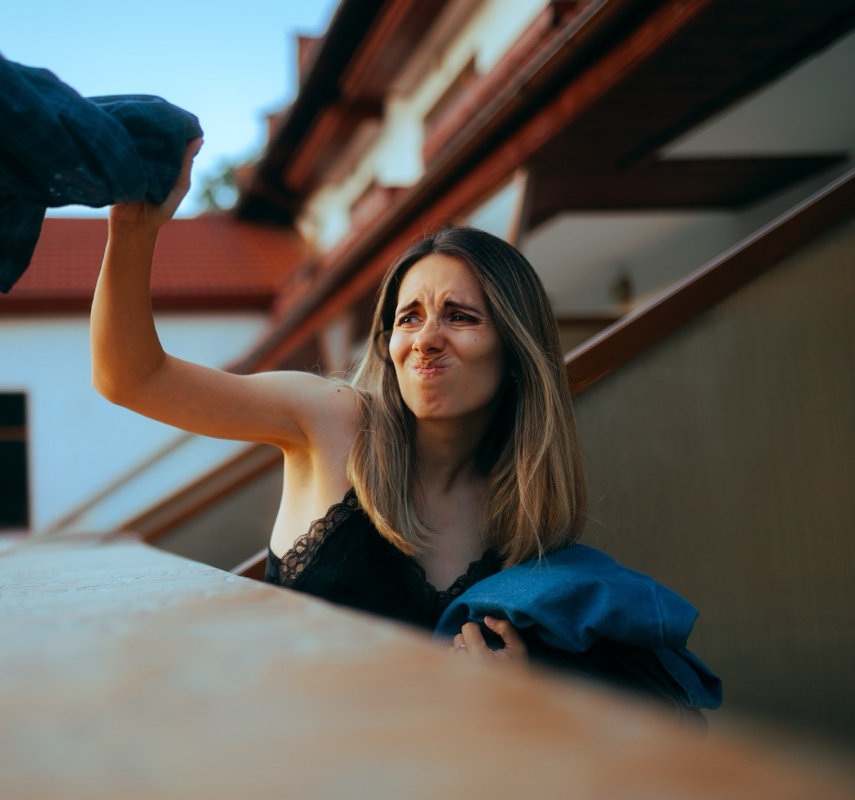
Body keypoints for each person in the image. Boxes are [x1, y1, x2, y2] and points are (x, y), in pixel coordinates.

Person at [92, 141, 720, 716]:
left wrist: (521, 689)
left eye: (460, 316)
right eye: (409, 317)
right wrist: (133, 224)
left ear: (515, 348)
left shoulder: (523, 517)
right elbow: (132, 378)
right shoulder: (334, 422)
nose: (425, 340)